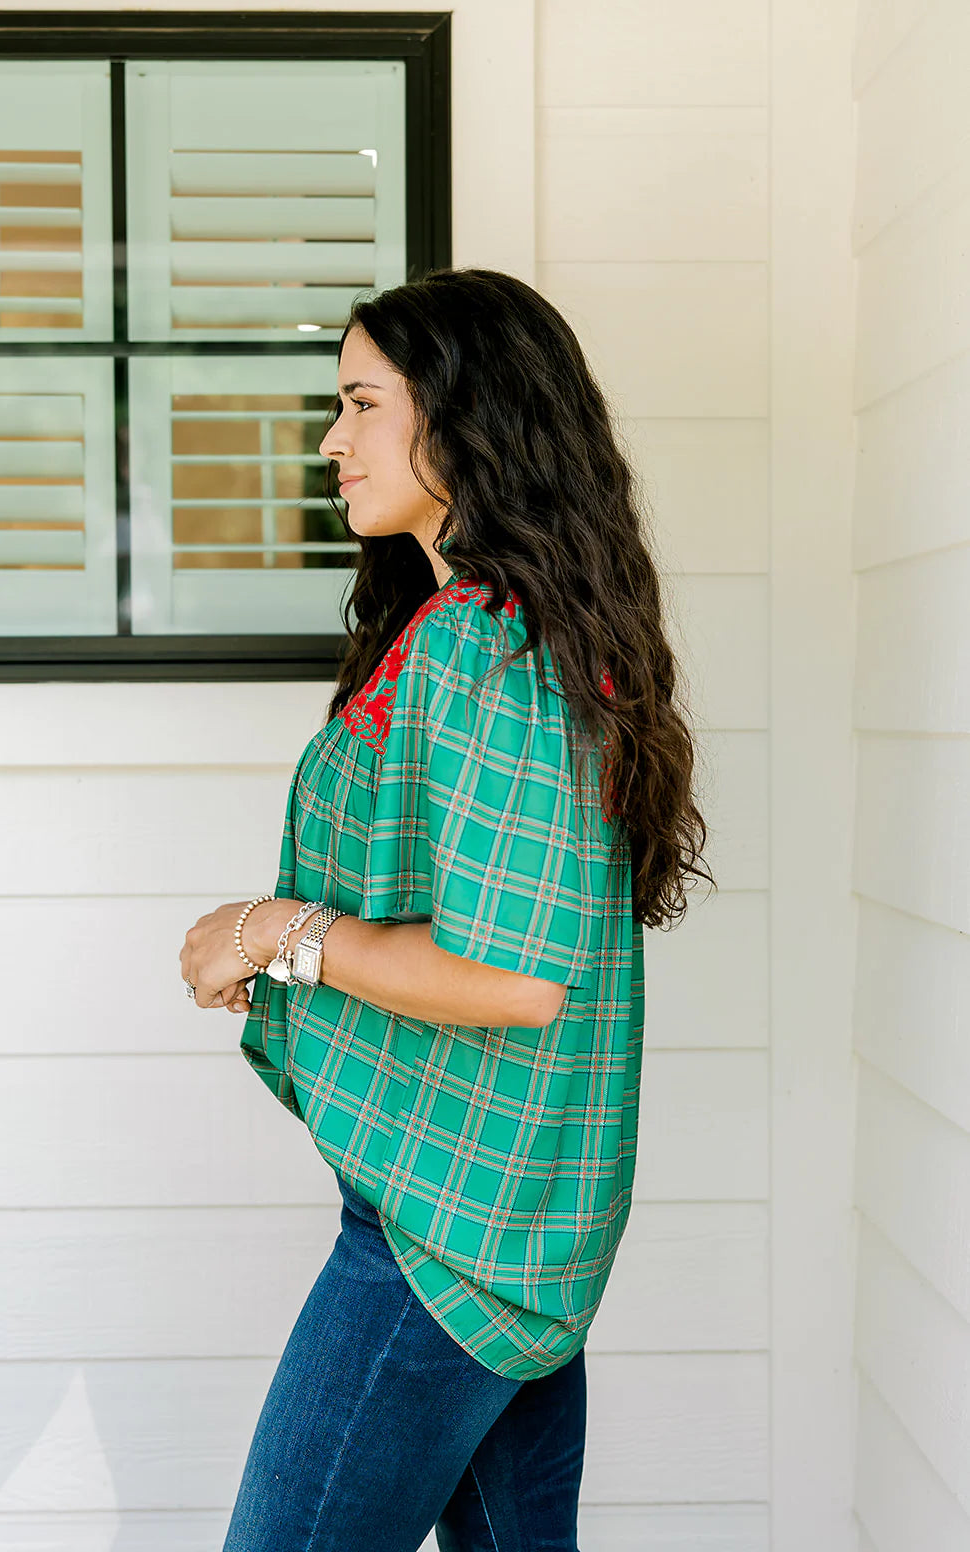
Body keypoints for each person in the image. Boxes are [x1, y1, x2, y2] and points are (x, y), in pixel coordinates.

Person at [179, 266, 713, 1552]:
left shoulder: (489, 641)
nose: (331, 439)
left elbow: (515, 975)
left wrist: (274, 932)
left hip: (443, 1241)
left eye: (362, 402)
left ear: (463, 416)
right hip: (493, 1215)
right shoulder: (465, 627)